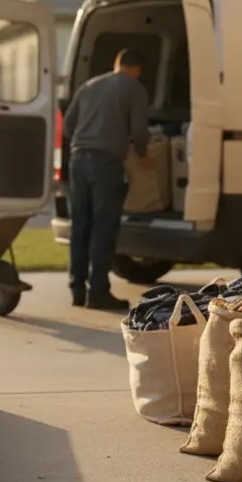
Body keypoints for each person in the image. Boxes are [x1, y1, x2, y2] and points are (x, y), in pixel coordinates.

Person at [61, 49, 152, 310]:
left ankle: (77, 289)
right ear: (136, 69)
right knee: (103, 226)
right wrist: (144, 156)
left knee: (81, 225)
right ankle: (98, 291)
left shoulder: (89, 86)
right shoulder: (135, 88)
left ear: (116, 64)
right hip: (106, 163)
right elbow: (139, 131)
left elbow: (68, 127)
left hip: (78, 161)